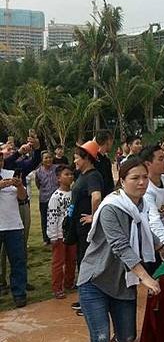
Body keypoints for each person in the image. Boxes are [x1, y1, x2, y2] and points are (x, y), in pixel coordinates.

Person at [77, 158, 163, 342]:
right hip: (94, 280)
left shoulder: (140, 205)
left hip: (122, 283)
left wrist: (162, 247)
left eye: (144, 177)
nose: (141, 182)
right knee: (101, 338)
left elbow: (145, 231)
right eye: (134, 178)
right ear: (121, 181)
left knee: (126, 335)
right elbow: (121, 245)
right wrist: (146, 278)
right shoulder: (112, 207)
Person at [71, 141, 104, 315]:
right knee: (82, 261)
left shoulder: (92, 176)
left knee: (87, 263)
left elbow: (96, 197)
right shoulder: (83, 175)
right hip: (80, 227)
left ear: (87, 159)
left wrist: (94, 216)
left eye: (77, 158)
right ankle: (85, 299)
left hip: (87, 228)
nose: (75, 161)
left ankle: (90, 303)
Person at [140, 145, 164, 274]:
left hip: (163, 231)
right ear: (148, 163)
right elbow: (153, 220)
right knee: (153, 272)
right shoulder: (146, 189)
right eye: (161, 159)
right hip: (147, 236)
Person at [0, 151, 28, 308]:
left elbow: (23, 198)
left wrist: (19, 185)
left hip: (13, 225)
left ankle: (19, 293)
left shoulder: (10, 174)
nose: (0, 162)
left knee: (18, 260)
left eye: (1, 159)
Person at [47, 165, 76, 299]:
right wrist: (53, 235)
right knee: (59, 262)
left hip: (72, 233)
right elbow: (52, 216)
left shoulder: (74, 192)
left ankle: (69, 283)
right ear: (58, 178)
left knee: (72, 260)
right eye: (66, 174)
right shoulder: (55, 197)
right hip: (59, 234)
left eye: (71, 174)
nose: (70, 177)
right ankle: (57, 287)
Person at [35, 151, 59, 245]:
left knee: (57, 217)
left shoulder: (57, 169)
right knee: (45, 218)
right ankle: (46, 238)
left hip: (57, 198)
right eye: (46, 158)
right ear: (42, 160)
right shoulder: (38, 171)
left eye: (50, 157)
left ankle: (58, 236)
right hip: (44, 198)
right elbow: (38, 184)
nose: (48, 159)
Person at [94, 130, 115, 197]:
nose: (112, 144)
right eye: (112, 141)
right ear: (108, 141)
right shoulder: (93, 159)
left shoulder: (106, 160)